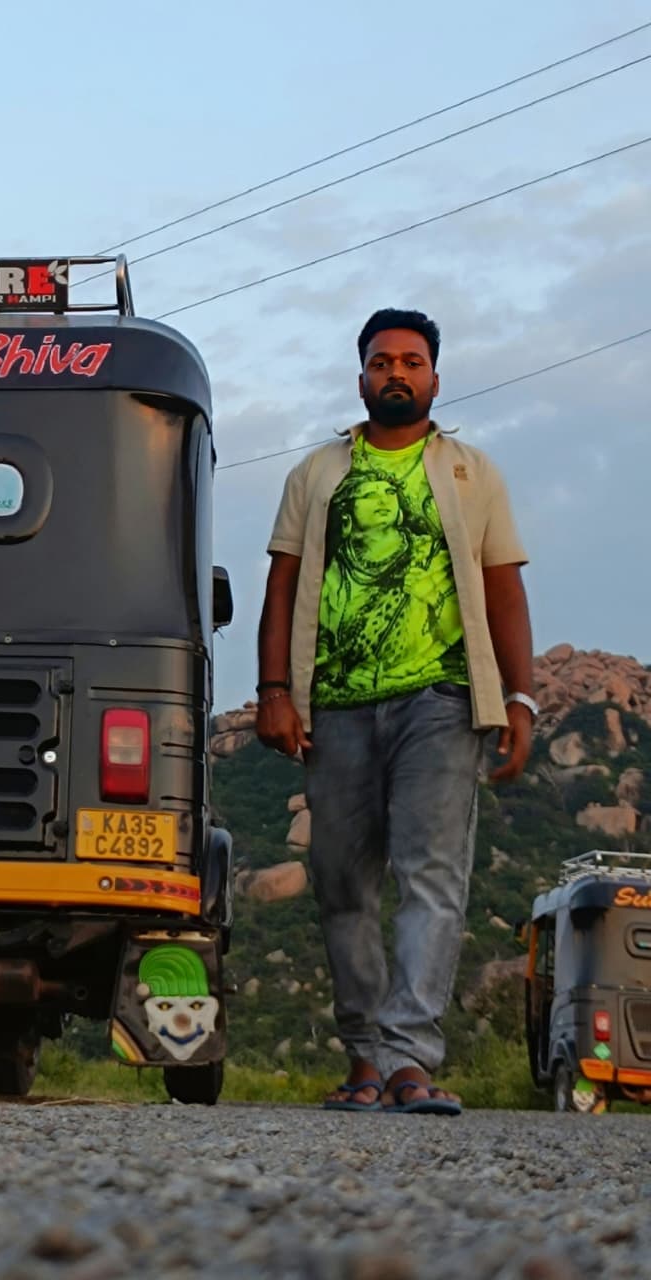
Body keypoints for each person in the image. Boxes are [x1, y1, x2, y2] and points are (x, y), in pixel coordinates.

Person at [256, 308, 536, 1115]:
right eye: (383, 363)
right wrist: (275, 690)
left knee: (433, 879)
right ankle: (364, 1060)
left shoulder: (471, 472)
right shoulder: (316, 474)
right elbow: (282, 584)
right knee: (343, 886)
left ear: (435, 379)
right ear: (362, 380)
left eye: (412, 362)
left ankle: (412, 1058)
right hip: (336, 705)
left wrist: (519, 697)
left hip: (442, 702)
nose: (397, 374)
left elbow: (503, 587)